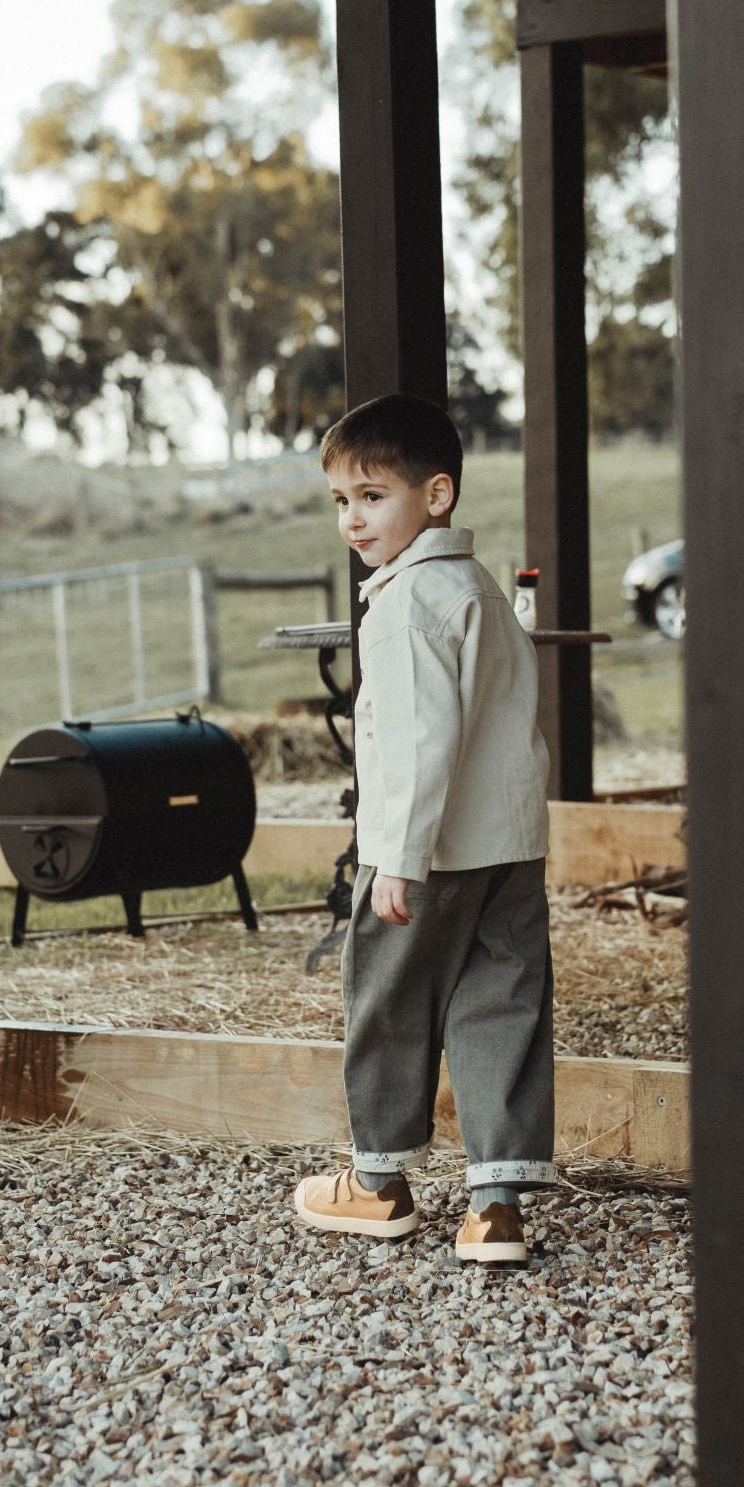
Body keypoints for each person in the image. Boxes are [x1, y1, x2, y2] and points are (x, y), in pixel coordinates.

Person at [293, 394, 554, 1264]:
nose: (352, 519)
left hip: (426, 853)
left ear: (436, 495)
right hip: (508, 848)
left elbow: (415, 743)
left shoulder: (405, 603)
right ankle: (496, 1204)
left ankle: (378, 1183)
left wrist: (399, 859)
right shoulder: (479, 588)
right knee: (502, 1003)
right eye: (341, 500)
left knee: (389, 1001)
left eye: (372, 496)